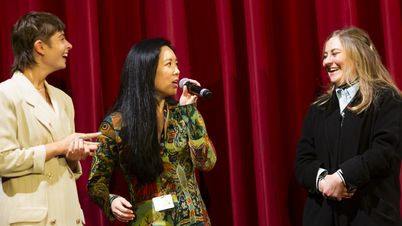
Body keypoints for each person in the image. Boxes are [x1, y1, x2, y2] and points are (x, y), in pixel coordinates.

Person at [87, 38, 217, 225]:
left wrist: (189, 111)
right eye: (168, 64)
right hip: (150, 220)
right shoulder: (115, 124)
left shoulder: (182, 114)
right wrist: (111, 200)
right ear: (147, 71)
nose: (177, 71)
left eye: (177, 64)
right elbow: (96, 182)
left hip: (193, 219)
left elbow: (207, 162)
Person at [0, 11, 100, 225]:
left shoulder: (62, 99)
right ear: (40, 47)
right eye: (62, 39)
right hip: (34, 218)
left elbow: (64, 162)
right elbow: (3, 159)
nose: (69, 45)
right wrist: (58, 147)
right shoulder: (6, 94)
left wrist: (73, 155)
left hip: (67, 213)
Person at [295, 27, 402, 226]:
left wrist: (343, 178)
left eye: (335, 53)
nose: (326, 61)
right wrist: (323, 181)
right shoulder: (318, 110)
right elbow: (302, 161)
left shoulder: (387, 100)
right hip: (322, 218)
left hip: (370, 216)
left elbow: (384, 151)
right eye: (325, 55)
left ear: (357, 55)